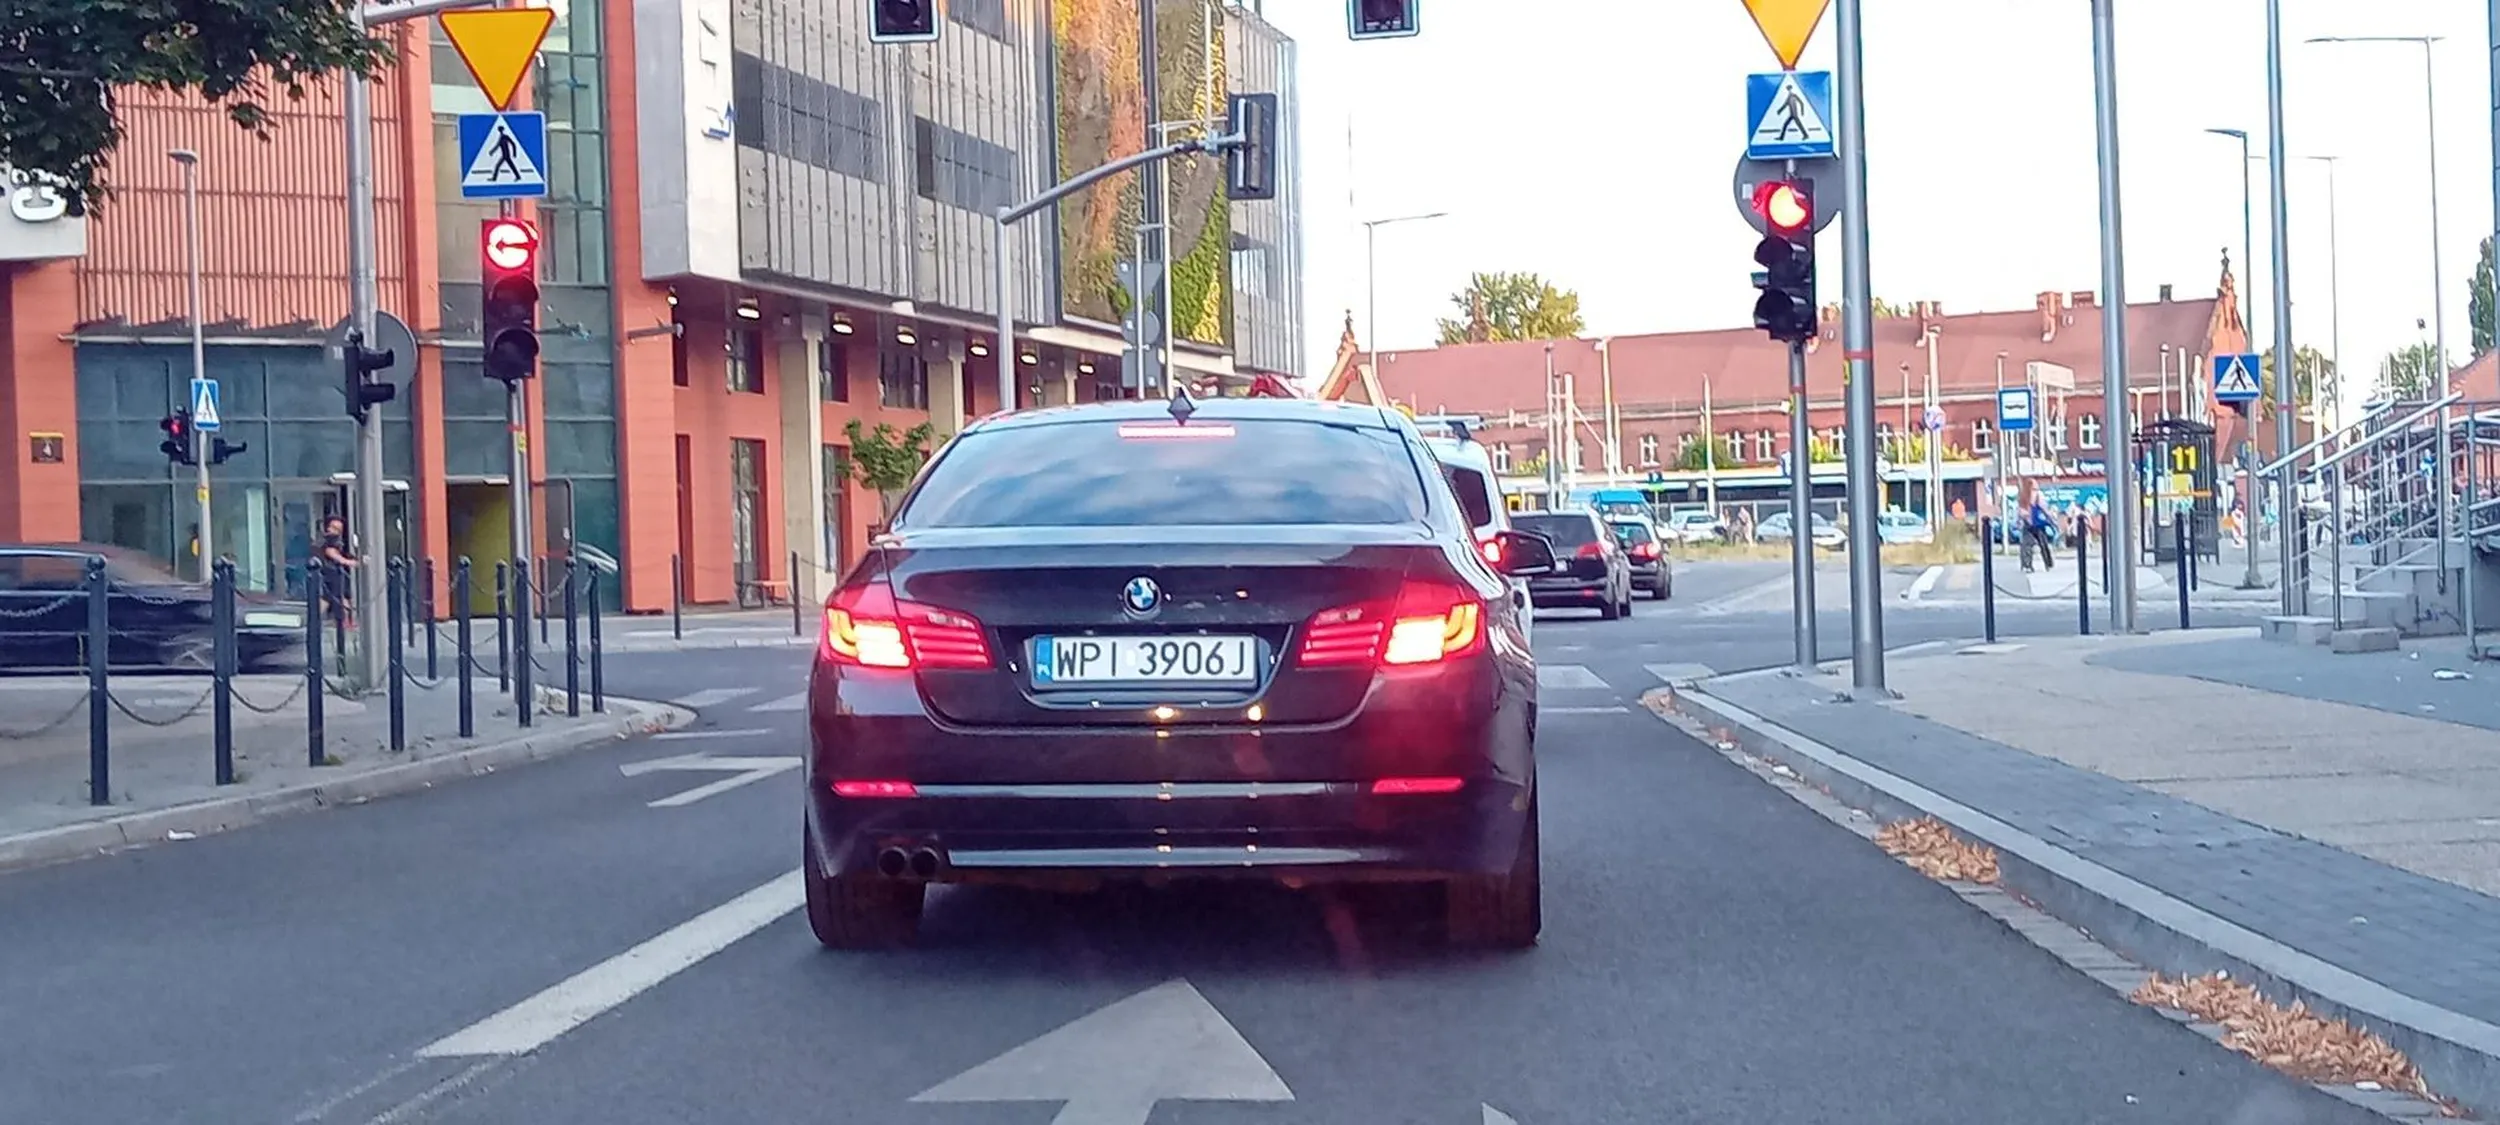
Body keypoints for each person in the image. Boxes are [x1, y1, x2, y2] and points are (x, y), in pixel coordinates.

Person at [316, 516, 357, 629]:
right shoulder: (329, 540)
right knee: (335, 596)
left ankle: (346, 620)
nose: (336, 530)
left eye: (339, 528)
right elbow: (332, 553)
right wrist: (349, 562)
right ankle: (345, 620)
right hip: (330, 572)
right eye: (334, 527)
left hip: (335, 571)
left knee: (333, 597)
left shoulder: (335, 540)